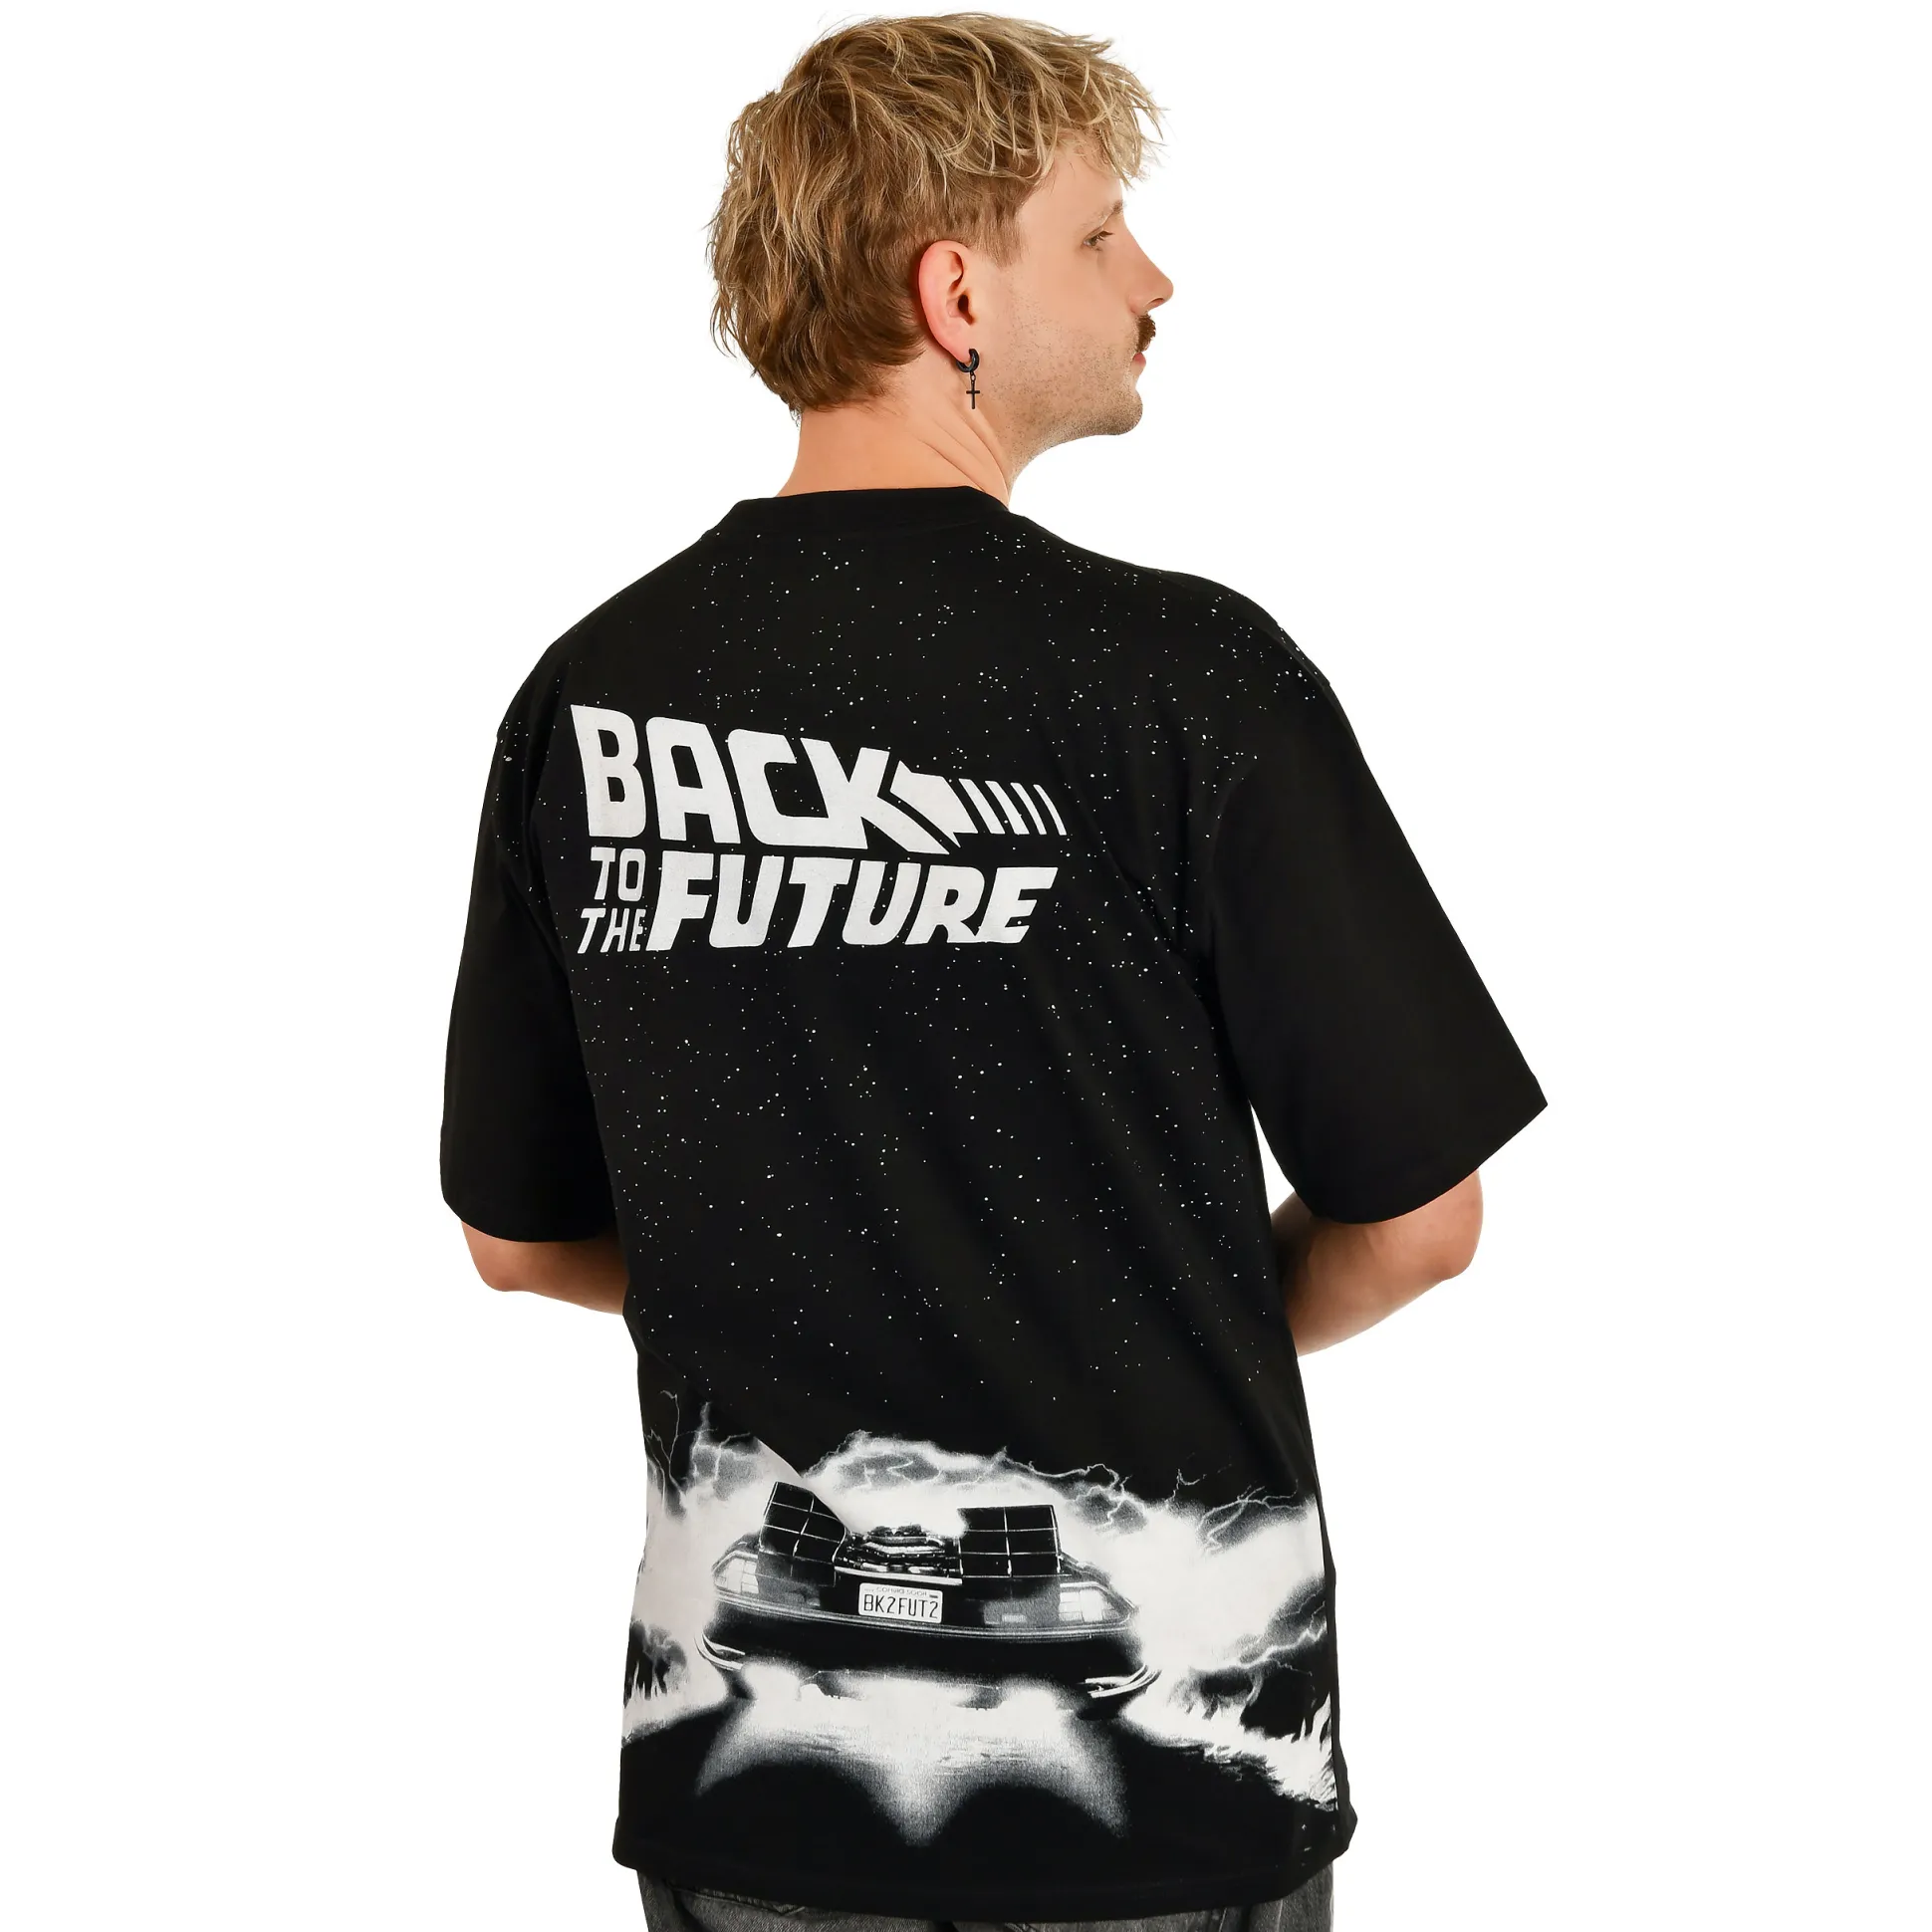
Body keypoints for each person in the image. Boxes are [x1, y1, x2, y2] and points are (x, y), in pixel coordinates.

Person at [439, 15, 1546, 1932]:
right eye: (1102, 235)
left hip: (748, 1794)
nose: (1156, 279)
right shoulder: (1185, 679)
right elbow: (1422, 1221)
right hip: (1162, 1794)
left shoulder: (587, 698)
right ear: (955, 294)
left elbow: (517, 1242)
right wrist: (1141, 1328)